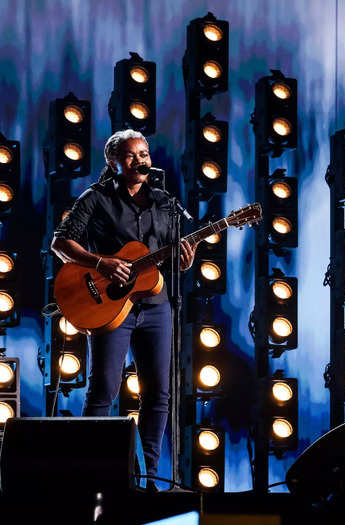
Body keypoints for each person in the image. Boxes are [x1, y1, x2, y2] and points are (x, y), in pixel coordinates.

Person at [51, 130, 198, 489]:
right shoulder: (96, 198)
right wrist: (100, 263)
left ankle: (147, 475)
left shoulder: (165, 203)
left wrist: (182, 260)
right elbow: (60, 243)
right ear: (113, 162)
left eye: (144, 153)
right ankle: (92, 474)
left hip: (155, 305)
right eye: (131, 156)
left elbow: (165, 253)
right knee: (103, 389)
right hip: (108, 306)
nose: (140, 160)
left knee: (158, 393)